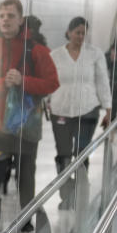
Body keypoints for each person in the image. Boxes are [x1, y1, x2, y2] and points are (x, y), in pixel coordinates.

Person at [0, 0, 60, 232]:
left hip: (26, 123)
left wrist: (23, 81)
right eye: (1, 16)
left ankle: (25, 219)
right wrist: (1, 83)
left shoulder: (36, 50)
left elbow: (52, 83)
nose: (5, 20)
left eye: (11, 16)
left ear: (20, 19)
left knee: (26, 172)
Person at [48, 16, 112, 209]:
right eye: (77, 32)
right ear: (68, 32)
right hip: (61, 109)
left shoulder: (95, 54)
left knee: (82, 153)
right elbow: (49, 82)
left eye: (84, 33)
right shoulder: (55, 55)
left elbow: (102, 81)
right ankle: (66, 194)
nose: (80, 36)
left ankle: (81, 193)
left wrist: (108, 108)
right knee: (63, 154)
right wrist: (44, 102)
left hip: (88, 110)